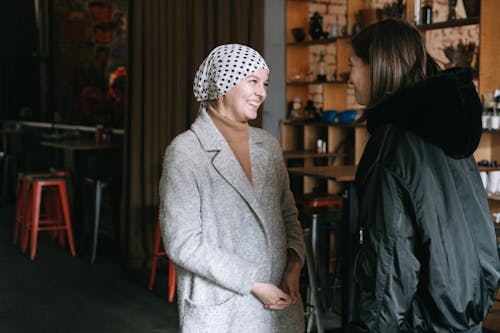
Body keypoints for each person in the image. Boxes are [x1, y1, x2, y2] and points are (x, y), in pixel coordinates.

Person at [347, 19, 500, 332]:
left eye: (353, 65)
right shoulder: (446, 130)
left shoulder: (391, 145)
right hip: (463, 312)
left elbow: (389, 257)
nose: (349, 78)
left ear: (378, 66)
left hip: (420, 320)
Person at [159, 44, 306, 332]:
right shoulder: (185, 151)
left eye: (264, 84)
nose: (262, 93)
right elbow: (182, 242)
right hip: (223, 309)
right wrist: (252, 283)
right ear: (223, 81)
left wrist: (294, 264)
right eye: (252, 81)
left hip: (279, 302)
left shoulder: (269, 146)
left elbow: (288, 213)